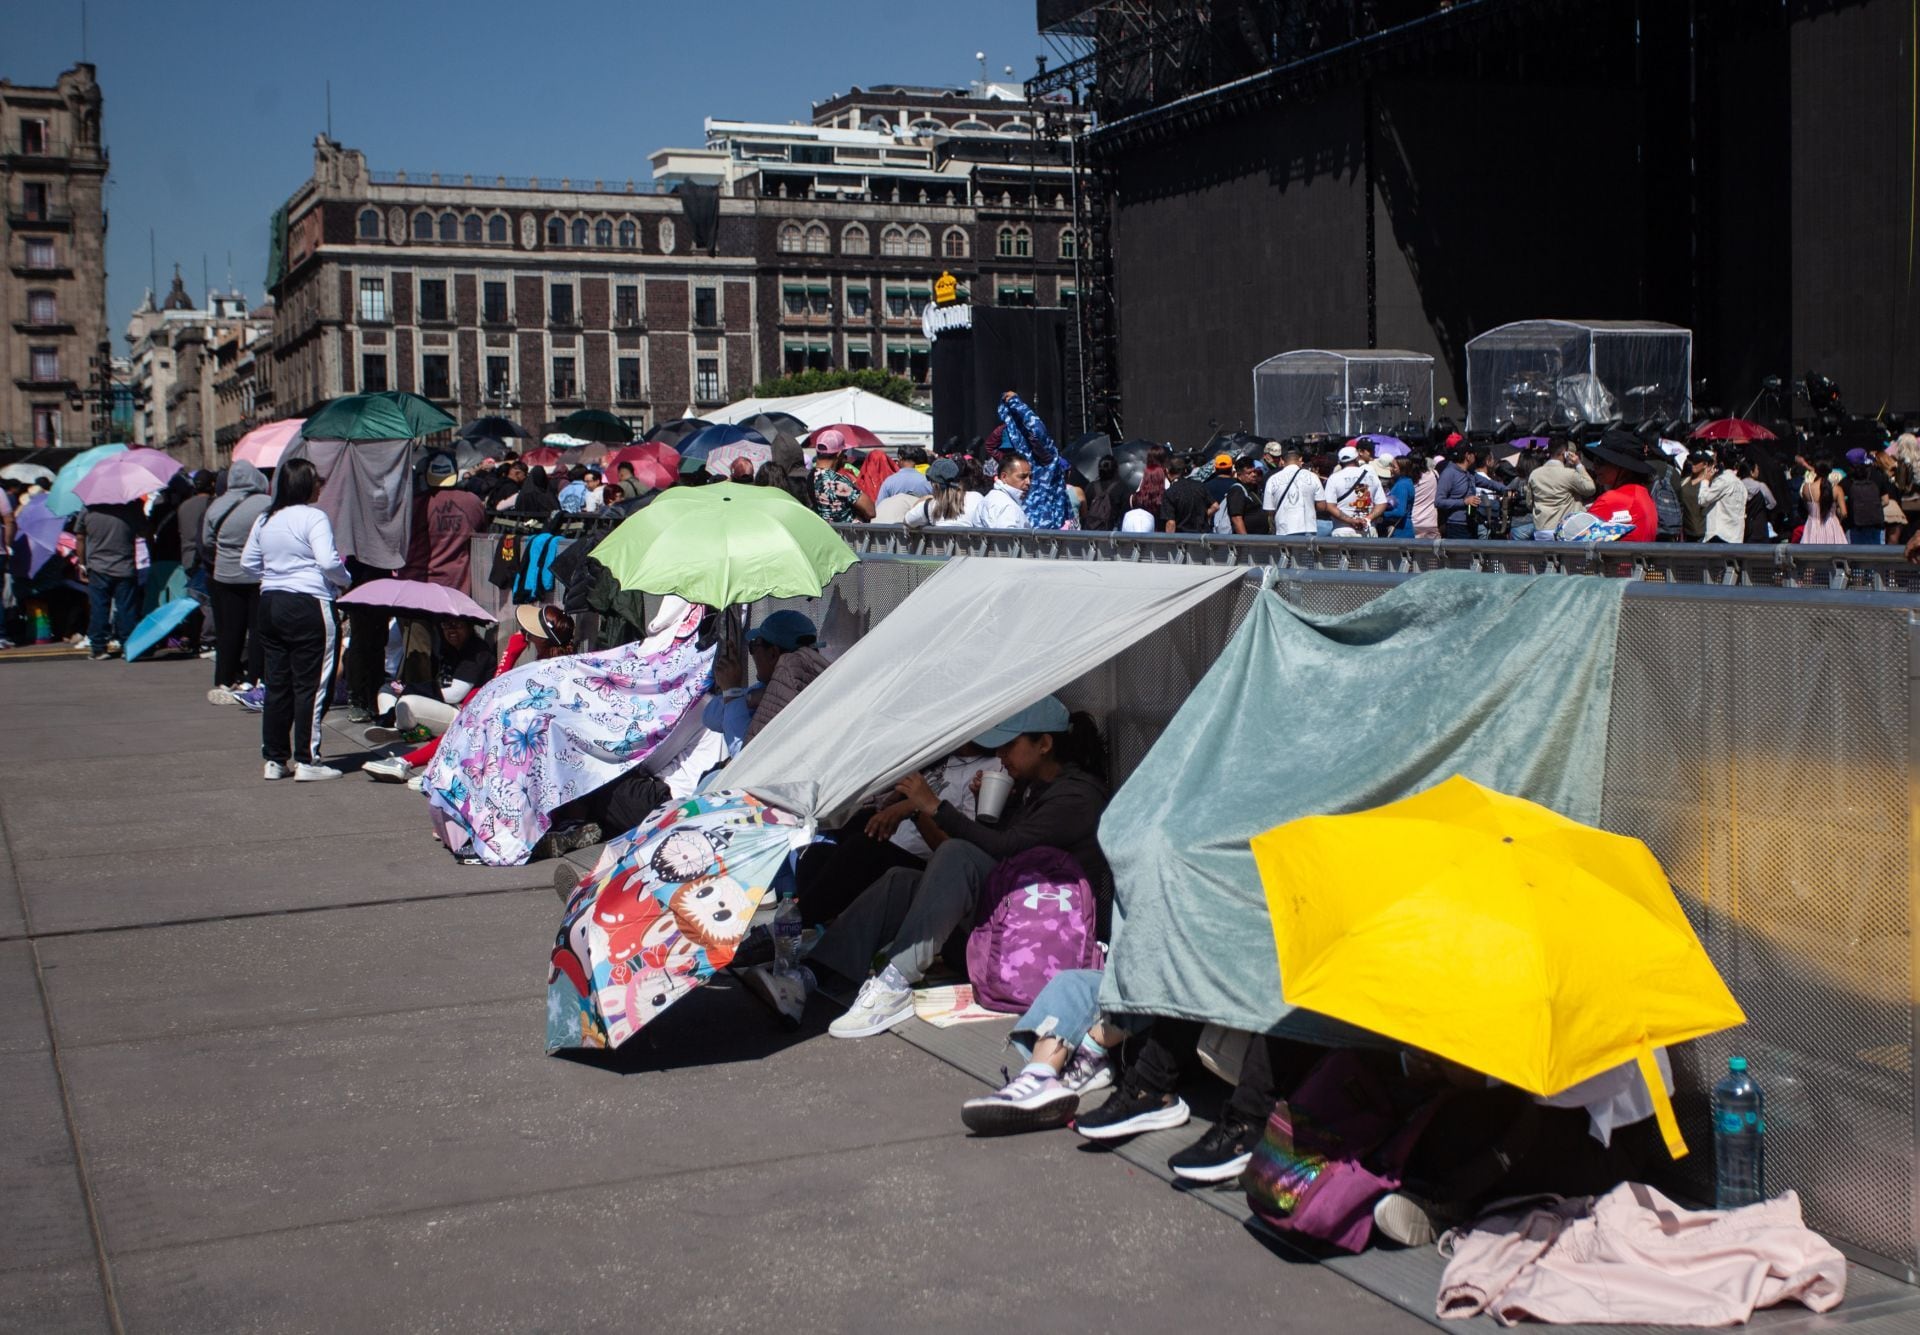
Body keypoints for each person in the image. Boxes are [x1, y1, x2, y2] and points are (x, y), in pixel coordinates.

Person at [815, 697, 1109, 1038]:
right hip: (1014, 908)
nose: (1000, 755)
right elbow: (1008, 844)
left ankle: (895, 981)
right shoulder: (1036, 788)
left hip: (1039, 928)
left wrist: (935, 807)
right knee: (901, 880)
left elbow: (1006, 849)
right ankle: (816, 970)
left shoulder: (1077, 798)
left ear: (1044, 744)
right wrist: (996, 807)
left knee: (957, 854)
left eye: (1009, 746)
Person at [240, 457, 351, 781]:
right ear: (306, 484)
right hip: (309, 603)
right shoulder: (314, 517)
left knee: (277, 683)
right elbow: (328, 561)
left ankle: (275, 759)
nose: (321, 486)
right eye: (317, 480)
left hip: (270, 601)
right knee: (312, 684)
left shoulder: (266, 518)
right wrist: (343, 579)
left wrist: (275, 575)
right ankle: (308, 759)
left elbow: (247, 563)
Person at [704, 609, 831, 757]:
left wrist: (732, 693)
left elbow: (744, 758)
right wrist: (750, 698)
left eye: (754, 646)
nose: (753, 654)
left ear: (773, 653)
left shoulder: (790, 700)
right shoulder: (822, 683)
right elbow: (710, 717)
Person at [203, 461, 273, 701]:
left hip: (225, 575)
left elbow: (207, 541)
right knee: (257, 629)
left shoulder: (216, 505)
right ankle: (255, 678)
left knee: (229, 630)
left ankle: (224, 678)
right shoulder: (266, 504)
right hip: (257, 575)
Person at [374, 615, 496, 742]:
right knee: (386, 690)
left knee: (407, 703)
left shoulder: (477, 652)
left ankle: (400, 729)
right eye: (446, 625)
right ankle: (403, 727)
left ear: (469, 627)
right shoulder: (448, 649)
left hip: (461, 714)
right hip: (439, 704)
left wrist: (412, 690)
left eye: (457, 625)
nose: (451, 630)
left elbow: (455, 695)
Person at [75, 497, 146, 660]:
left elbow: (80, 537)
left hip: (97, 567)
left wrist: (82, 564)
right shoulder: (132, 507)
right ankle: (129, 646)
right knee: (126, 608)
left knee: (99, 607)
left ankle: (98, 648)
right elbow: (144, 531)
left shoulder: (89, 508)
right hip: (125, 566)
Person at [996, 391, 1070, 529]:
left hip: (1050, 529)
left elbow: (1037, 429)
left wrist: (1015, 401)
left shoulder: (1051, 461)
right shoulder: (1024, 461)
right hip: (1031, 527)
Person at [424, 451, 485, 592]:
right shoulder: (472, 502)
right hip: (460, 585)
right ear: (455, 474)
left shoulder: (417, 504)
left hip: (422, 585)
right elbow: (482, 536)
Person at [1582, 437, 1660, 542]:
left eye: (1600, 461)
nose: (1594, 466)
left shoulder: (1614, 499)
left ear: (1622, 467)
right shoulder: (1643, 494)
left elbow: (1576, 539)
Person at [1525, 439, 1597, 537]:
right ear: (1565, 453)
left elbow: (1529, 503)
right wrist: (1578, 464)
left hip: (1541, 531)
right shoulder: (1569, 474)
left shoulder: (1534, 474)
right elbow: (1590, 488)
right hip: (1563, 531)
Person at [1319, 443, 1387, 535]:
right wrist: (1367, 519)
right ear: (1357, 458)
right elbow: (1382, 503)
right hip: (1367, 530)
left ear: (1340, 461)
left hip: (1342, 530)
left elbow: (1330, 506)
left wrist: (1351, 521)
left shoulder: (1334, 478)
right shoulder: (1371, 476)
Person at [808, 429, 874, 523]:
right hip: (843, 535)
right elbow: (871, 510)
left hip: (819, 531)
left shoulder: (808, 477)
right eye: (844, 453)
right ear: (839, 454)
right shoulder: (836, 480)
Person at [904, 457, 984, 528]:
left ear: (934, 484)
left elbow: (907, 521)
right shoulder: (976, 498)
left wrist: (923, 500)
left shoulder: (928, 506)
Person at [1262, 441, 1319, 537]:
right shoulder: (1313, 476)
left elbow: (1269, 509)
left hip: (1284, 529)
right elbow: (1322, 506)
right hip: (1308, 528)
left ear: (1282, 460)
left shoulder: (1272, 478)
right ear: (1300, 459)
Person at [1432, 442, 1485, 540]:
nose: (1475, 456)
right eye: (1473, 453)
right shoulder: (1449, 473)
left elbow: (1490, 483)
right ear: (1467, 456)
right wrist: (1464, 502)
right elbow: (1438, 501)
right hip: (1456, 526)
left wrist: (1507, 489)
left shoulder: (1470, 474)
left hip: (1471, 523)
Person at [1693, 449, 1748, 543]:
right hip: (1736, 538)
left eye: (1715, 461)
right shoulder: (1741, 485)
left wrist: (1705, 480)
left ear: (1721, 464)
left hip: (1720, 537)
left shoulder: (1723, 481)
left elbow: (1702, 500)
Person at [977, 452, 1034, 529]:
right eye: (1022, 477)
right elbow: (1006, 539)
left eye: (1030, 477)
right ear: (1004, 477)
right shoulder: (1007, 506)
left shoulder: (993, 497)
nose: (1028, 482)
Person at [1158, 454, 1212, 533]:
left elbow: (1171, 522)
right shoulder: (1199, 486)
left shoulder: (1170, 492)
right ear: (1185, 471)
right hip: (1201, 536)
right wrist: (1202, 516)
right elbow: (1215, 506)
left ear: (1167, 471)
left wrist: (1169, 542)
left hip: (1182, 538)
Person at [1220, 455, 1271, 535]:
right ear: (1239, 475)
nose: (1254, 475)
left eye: (1254, 471)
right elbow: (1236, 518)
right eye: (1249, 473)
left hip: (1261, 537)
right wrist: (1245, 541)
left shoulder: (1255, 488)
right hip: (1249, 540)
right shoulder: (1237, 490)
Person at [1801, 463, 1849, 544]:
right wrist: (1837, 520)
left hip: (1812, 526)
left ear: (1815, 471)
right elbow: (1844, 513)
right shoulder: (1837, 489)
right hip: (1832, 526)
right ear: (1830, 472)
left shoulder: (1806, 488)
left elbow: (1806, 507)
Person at [1378, 454, 1418, 537]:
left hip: (1400, 531)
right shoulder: (1405, 482)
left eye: (1394, 467)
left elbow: (1400, 512)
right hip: (1402, 529)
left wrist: (1380, 513)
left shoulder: (1402, 485)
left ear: (1403, 470)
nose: (1390, 469)